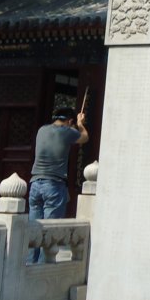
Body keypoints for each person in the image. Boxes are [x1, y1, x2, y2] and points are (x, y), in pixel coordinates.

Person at [28, 106, 88, 263]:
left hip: (35, 183)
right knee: (49, 231)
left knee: (33, 229)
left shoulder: (42, 130)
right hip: (53, 185)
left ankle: (29, 263)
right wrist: (80, 123)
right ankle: (43, 267)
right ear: (69, 121)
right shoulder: (67, 132)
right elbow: (84, 137)